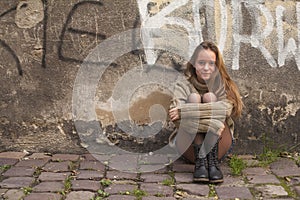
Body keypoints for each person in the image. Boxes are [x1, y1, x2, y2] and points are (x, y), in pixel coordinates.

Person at [168, 41, 243, 183]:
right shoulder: (183, 84)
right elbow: (174, 116)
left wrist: (185, 112)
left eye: (211, 63)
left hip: (219, 145)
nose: (206, 68)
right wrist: (211, 121)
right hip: (189, 148)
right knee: (194, 97)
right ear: (194, 64)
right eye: (201, 63)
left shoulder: (222, 84)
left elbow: (225, 109)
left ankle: (212, 163)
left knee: (210, 97)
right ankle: (201, 161)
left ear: (217, 65)